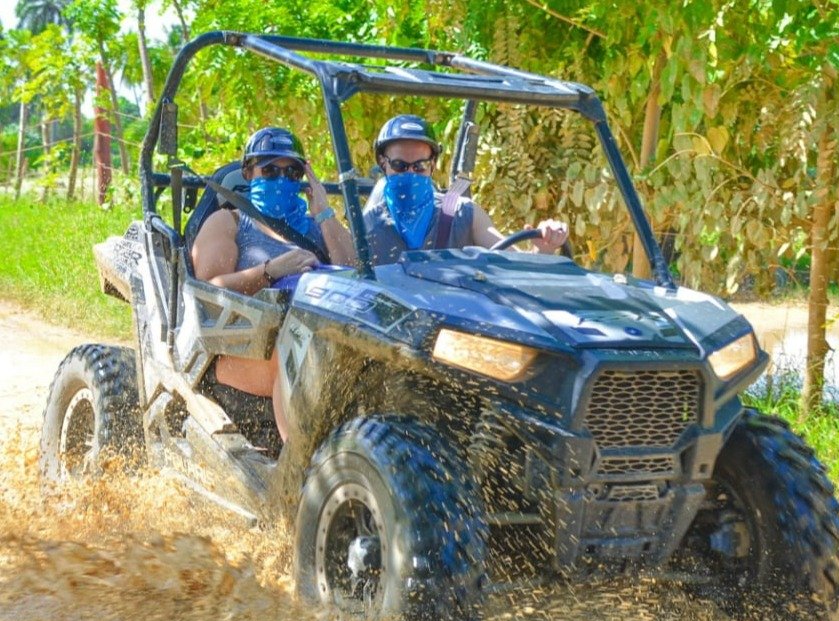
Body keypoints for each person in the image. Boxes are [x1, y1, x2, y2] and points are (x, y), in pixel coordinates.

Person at [191, 126, 354, 441]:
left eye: (292, 172)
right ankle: (300, 465)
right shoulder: (229, 221)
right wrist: (270, 271)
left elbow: (356, 277)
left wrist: (324, 213)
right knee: (296, 356)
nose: (282, 179)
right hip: (244, 346)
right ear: (248, 173)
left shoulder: (317, 228)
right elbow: (207, 290)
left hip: (324, 343)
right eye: (270, 170)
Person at [363, 114, 569, 265]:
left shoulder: (463, 215)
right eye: (399, 165)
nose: (410, 174)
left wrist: (542, 250)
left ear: (432, 165)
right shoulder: (367, 226)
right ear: (383, 164)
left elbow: (516, 267)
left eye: (420, 166)